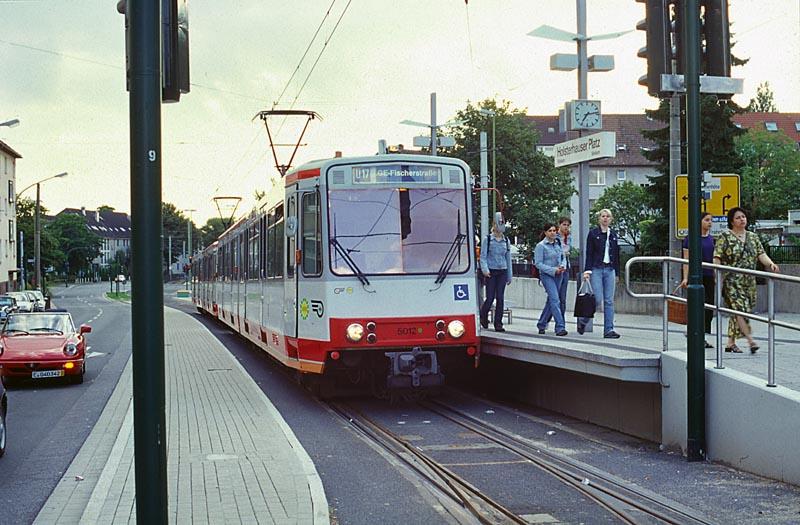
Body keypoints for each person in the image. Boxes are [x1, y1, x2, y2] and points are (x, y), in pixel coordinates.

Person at [713, 207, 779, 354]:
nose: (742, 219)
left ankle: (730, 343)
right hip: (732, 280)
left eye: (743, 217)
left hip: (749, 281)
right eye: (738, 217)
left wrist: (770, 264)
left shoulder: (753, 237)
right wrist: (717, 274)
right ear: (731, 221)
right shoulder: (725, 236)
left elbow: (761, 254)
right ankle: (751, 341)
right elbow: (717, 257)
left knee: (740, 311)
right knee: (740, 309)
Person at [577, 209, 620, 338]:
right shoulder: (593, 233)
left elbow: (617, 254)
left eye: (608, 216)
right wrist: (587, 271)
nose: (605, 218)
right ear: (599, 219)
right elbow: (589, 253)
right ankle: (583, 320)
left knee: (609, 301)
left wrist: (617, 273)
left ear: (611, 219)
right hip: (596, 268)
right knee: (596, 299)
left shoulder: (613, 234)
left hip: (609, 269)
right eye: (603, 216)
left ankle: (609, 330)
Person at [679, 212, 716, 348]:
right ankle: (694, 332)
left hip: (709, 275)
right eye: (706, 220)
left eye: (711, 220)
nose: (709, 223)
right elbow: (686, 259)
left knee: (709, 306)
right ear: (699, 221)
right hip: (696, 276)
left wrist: (716, 276)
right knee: (697, 306)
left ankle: (704, 336)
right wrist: (685, 277)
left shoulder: (712, 239)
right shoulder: (691, 239)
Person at [479, 215, 512, 332]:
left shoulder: (506, 240)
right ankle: (483, 315)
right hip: (491, 271)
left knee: (500, 297)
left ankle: (498, 323)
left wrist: (509, 275)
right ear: (494, 224)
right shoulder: (487, 239)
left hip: (502, 270)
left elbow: (508, 258)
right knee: (490, 297)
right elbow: (483, 257)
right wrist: (485, 270)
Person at [534, 223, 568, 336]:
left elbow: (563, 257)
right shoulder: (541, 246)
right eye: (550, 231)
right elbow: (538, 263)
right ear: (545, 232)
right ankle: (560, 327)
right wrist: (553, 270)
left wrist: (562, 266)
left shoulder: (558, 243)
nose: (552, 233)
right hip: (547, 275)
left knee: (551, 301)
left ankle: (542, 323)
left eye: (554, 230)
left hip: (559, 274)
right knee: (555, 300)